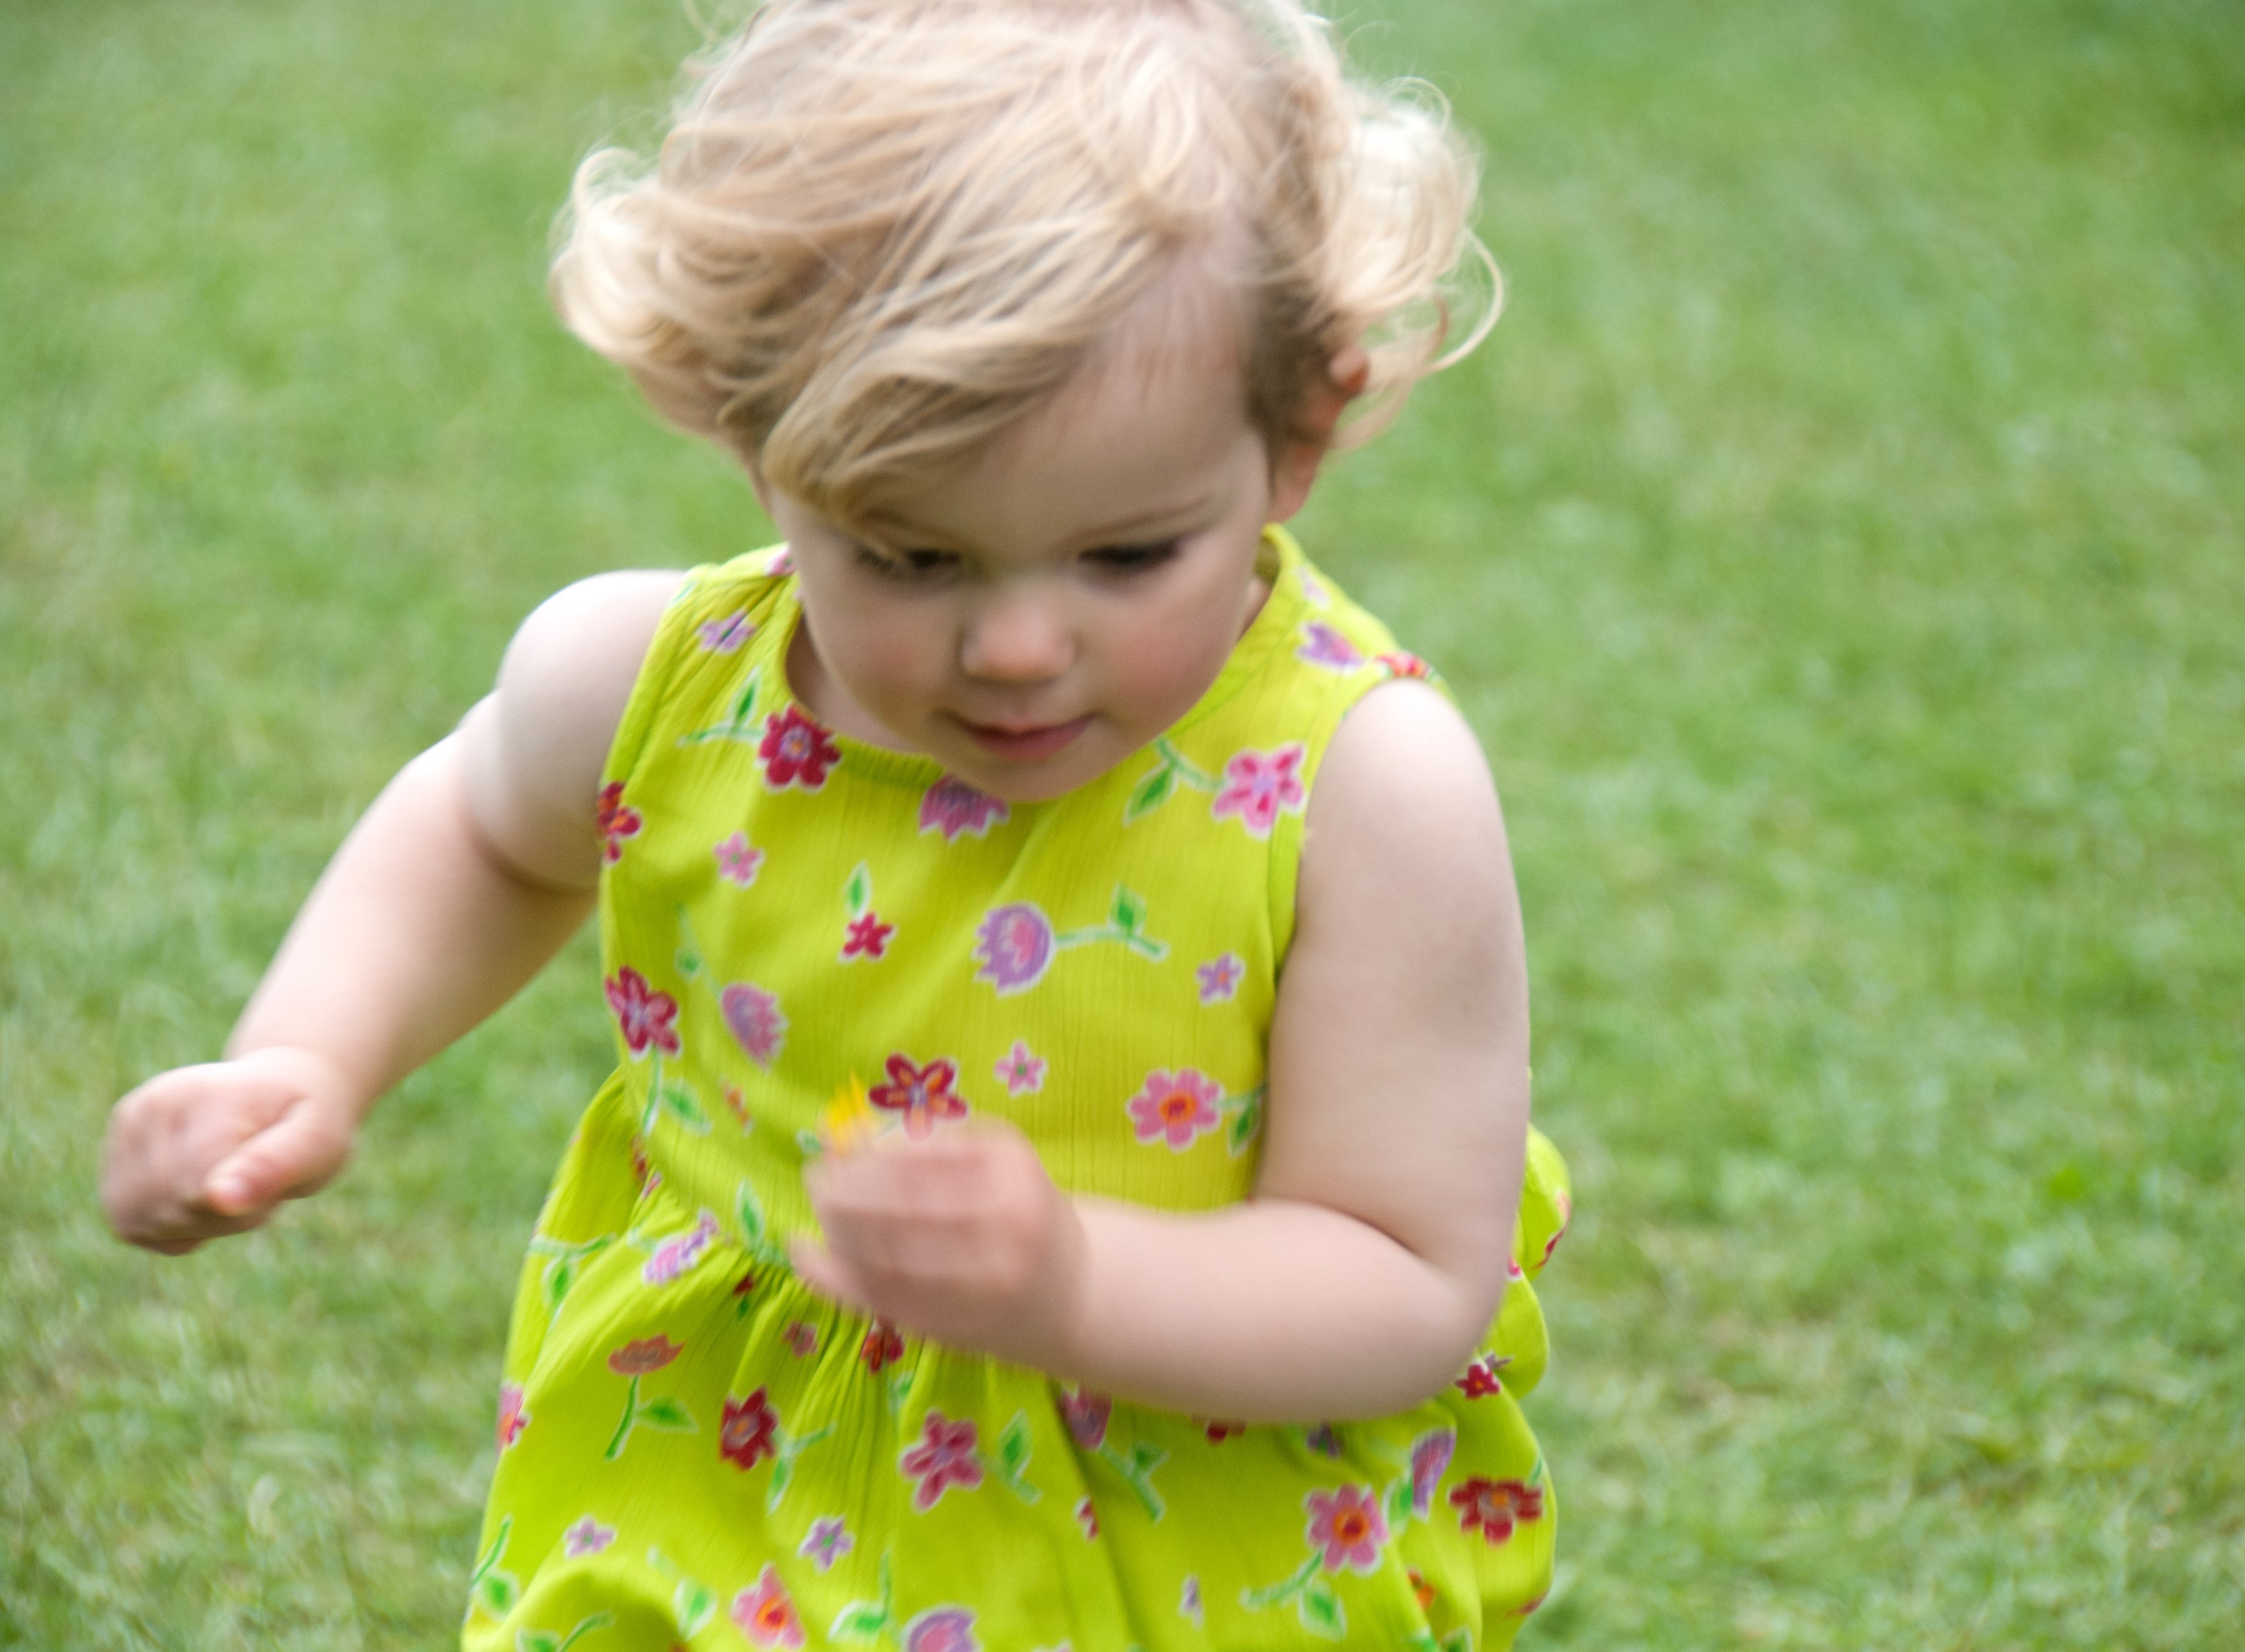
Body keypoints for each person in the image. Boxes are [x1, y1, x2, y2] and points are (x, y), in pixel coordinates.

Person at [100, 1, 1573, 1646]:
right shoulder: (656, 684)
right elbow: (484, 829)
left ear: (1295, 442)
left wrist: (1066, 1288)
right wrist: (309, 1056)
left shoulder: (1361, 792)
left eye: (1128, 555)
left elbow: (1403, 1276)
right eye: (911, 557)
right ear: (755, 448)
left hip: (1175, 1549)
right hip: (717, 1486)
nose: (1016, 647)